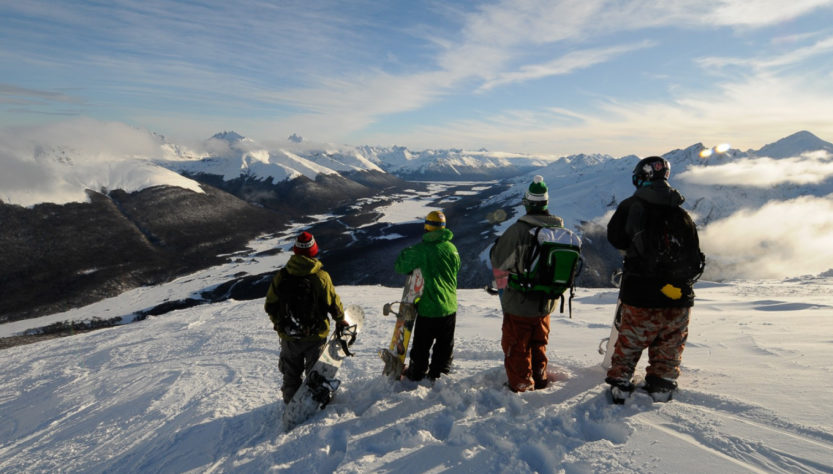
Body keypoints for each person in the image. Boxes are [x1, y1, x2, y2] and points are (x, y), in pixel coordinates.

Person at [605, 156, 701, 403]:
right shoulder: (682, 214)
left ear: (641, 177)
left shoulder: (631, 206)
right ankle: (662, 384)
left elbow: (615, 238)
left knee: (630, 341)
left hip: (641, 293)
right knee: (669, 346)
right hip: (679, 297)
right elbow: (693, 254)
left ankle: (621, 384)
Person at [490, 175, 565, 392]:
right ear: (546, 203)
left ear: (527, 203)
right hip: (546, 302)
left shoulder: (519, 230)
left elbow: (499, 261)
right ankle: (539, 378)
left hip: (520, 301)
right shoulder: (559, 230)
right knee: (538, 342)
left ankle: (521, 384)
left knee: (517, 345)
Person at [264, 231, 348, 404]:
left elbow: (270, 305)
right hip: (315, 336)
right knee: (315, 372)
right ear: (313, 251)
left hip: (289, 336)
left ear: (295, 250)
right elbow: (332, 302)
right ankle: (316, 400)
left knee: (291, 373)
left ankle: (290, 402)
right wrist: (340, 319)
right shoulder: (320, 277)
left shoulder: (282, 276)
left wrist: (278, 323)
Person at [395, 210, 461, 381]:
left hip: (429, 307)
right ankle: (440, 373)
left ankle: (416, 372)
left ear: (427, 227)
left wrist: (408, 253)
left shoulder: (421, 250)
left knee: (422, 345)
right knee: (445, 345)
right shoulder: (452, 248)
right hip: (449, 305)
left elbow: (400, 266)